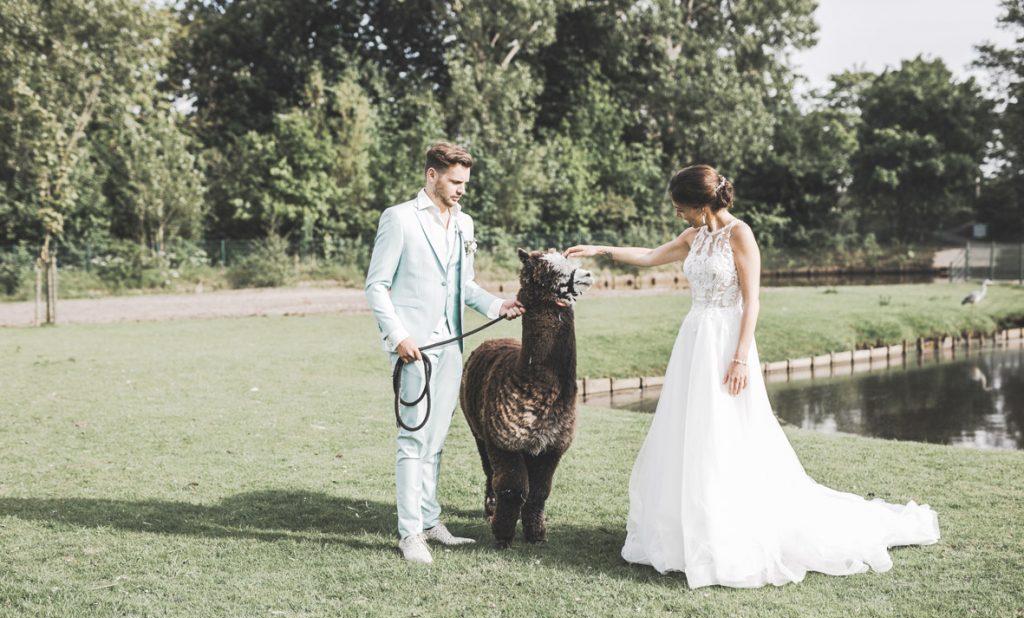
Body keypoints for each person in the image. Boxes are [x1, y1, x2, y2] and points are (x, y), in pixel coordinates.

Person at [565, 164, 939, 588]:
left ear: (702, 204)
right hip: (694, 340)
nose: (677, 215)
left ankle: (730, 529)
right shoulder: (695, 236)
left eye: (680, 207)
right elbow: (650, 256)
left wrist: (741, 357)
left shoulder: (740, 233)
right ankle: (691, 528)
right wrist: (599, 248)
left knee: (727, 431)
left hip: (727, 342)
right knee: (692, 431)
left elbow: (753, 299)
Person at [365, 143, 525, 564]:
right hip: (413, 349)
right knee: (412, 439)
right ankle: (410, 533)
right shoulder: (398, 219)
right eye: (455, 182)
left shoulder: (464, 224)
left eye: (465, 183)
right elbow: (376, 285)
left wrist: (497, 306)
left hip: (451, 345)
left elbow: (464, 285)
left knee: (435, 441)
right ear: (432, 175)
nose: (461, 190)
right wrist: (397, 335)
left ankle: (432, 520)